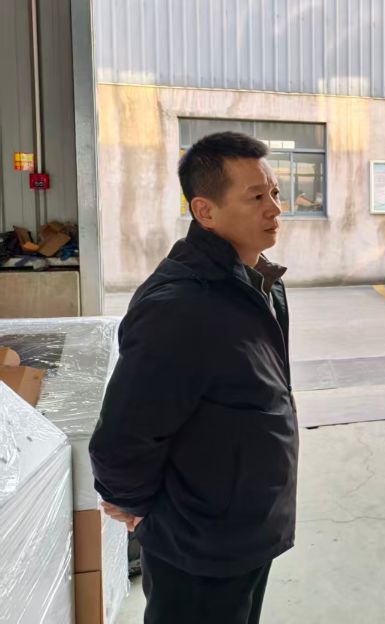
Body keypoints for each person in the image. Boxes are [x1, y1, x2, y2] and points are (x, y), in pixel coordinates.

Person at [90, 132, 298, 624]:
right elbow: (123, 436)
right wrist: (131, 503)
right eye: (256, 196)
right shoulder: (182, 306)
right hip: (200, 545)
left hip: (248, 528)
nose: (275, 208)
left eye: (273, 192)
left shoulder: (258, 282)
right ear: (205, 211)